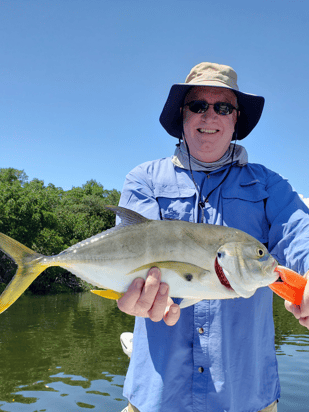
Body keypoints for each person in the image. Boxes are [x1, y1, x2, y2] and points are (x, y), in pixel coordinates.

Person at [117, 62, 309, 412]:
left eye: (223, 107)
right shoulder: (143, 179)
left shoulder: (268, 185)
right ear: (182, 115)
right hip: (157, 396)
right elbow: (128, 251)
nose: (210, 116)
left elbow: (299, 232)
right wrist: (127, 292)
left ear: (236, 120)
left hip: (247, 396)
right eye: (198, 105)